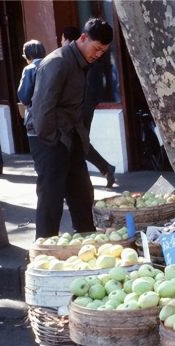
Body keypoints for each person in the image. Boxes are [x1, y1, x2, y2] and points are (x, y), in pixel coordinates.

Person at [28, 18, 113, 239]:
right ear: (83, 38)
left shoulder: (84, 63)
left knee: (82, 192)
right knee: (51, 196)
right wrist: (53, 140)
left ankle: (87, 240)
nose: (98, 54)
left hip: (72, 134)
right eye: (96, 49)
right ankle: (44, 248)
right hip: (49, 136)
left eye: (103, 51)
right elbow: (42, 107)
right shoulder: (57, 62)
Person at [61, 25, 116, 188]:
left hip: (82, 107)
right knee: (80, 142)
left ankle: (104, 169)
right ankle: (105, 168)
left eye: (62, 39)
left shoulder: (84, 59)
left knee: (79, 142)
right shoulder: (74, 59)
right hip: (84, 106)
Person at [17, 39, 46, 135]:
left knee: (38, 148)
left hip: (36, 118)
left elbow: (24, 97)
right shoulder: (53, 64)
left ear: (28, 56)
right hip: (57, 116)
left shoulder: (29, 69)